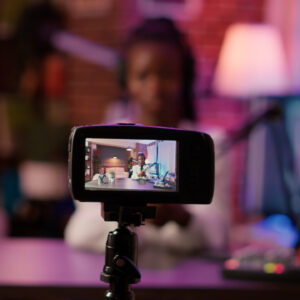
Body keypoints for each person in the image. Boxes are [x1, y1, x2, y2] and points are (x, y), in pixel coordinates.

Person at [64, 18, 231, 256]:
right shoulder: (107, 143)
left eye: (166, 75)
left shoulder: (210, 144)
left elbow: (218, 233)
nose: (155, 86)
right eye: (143, 76)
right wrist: (143, 216)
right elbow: (80, 232)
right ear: (125, 80)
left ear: (185, 77)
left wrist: (179, 217)